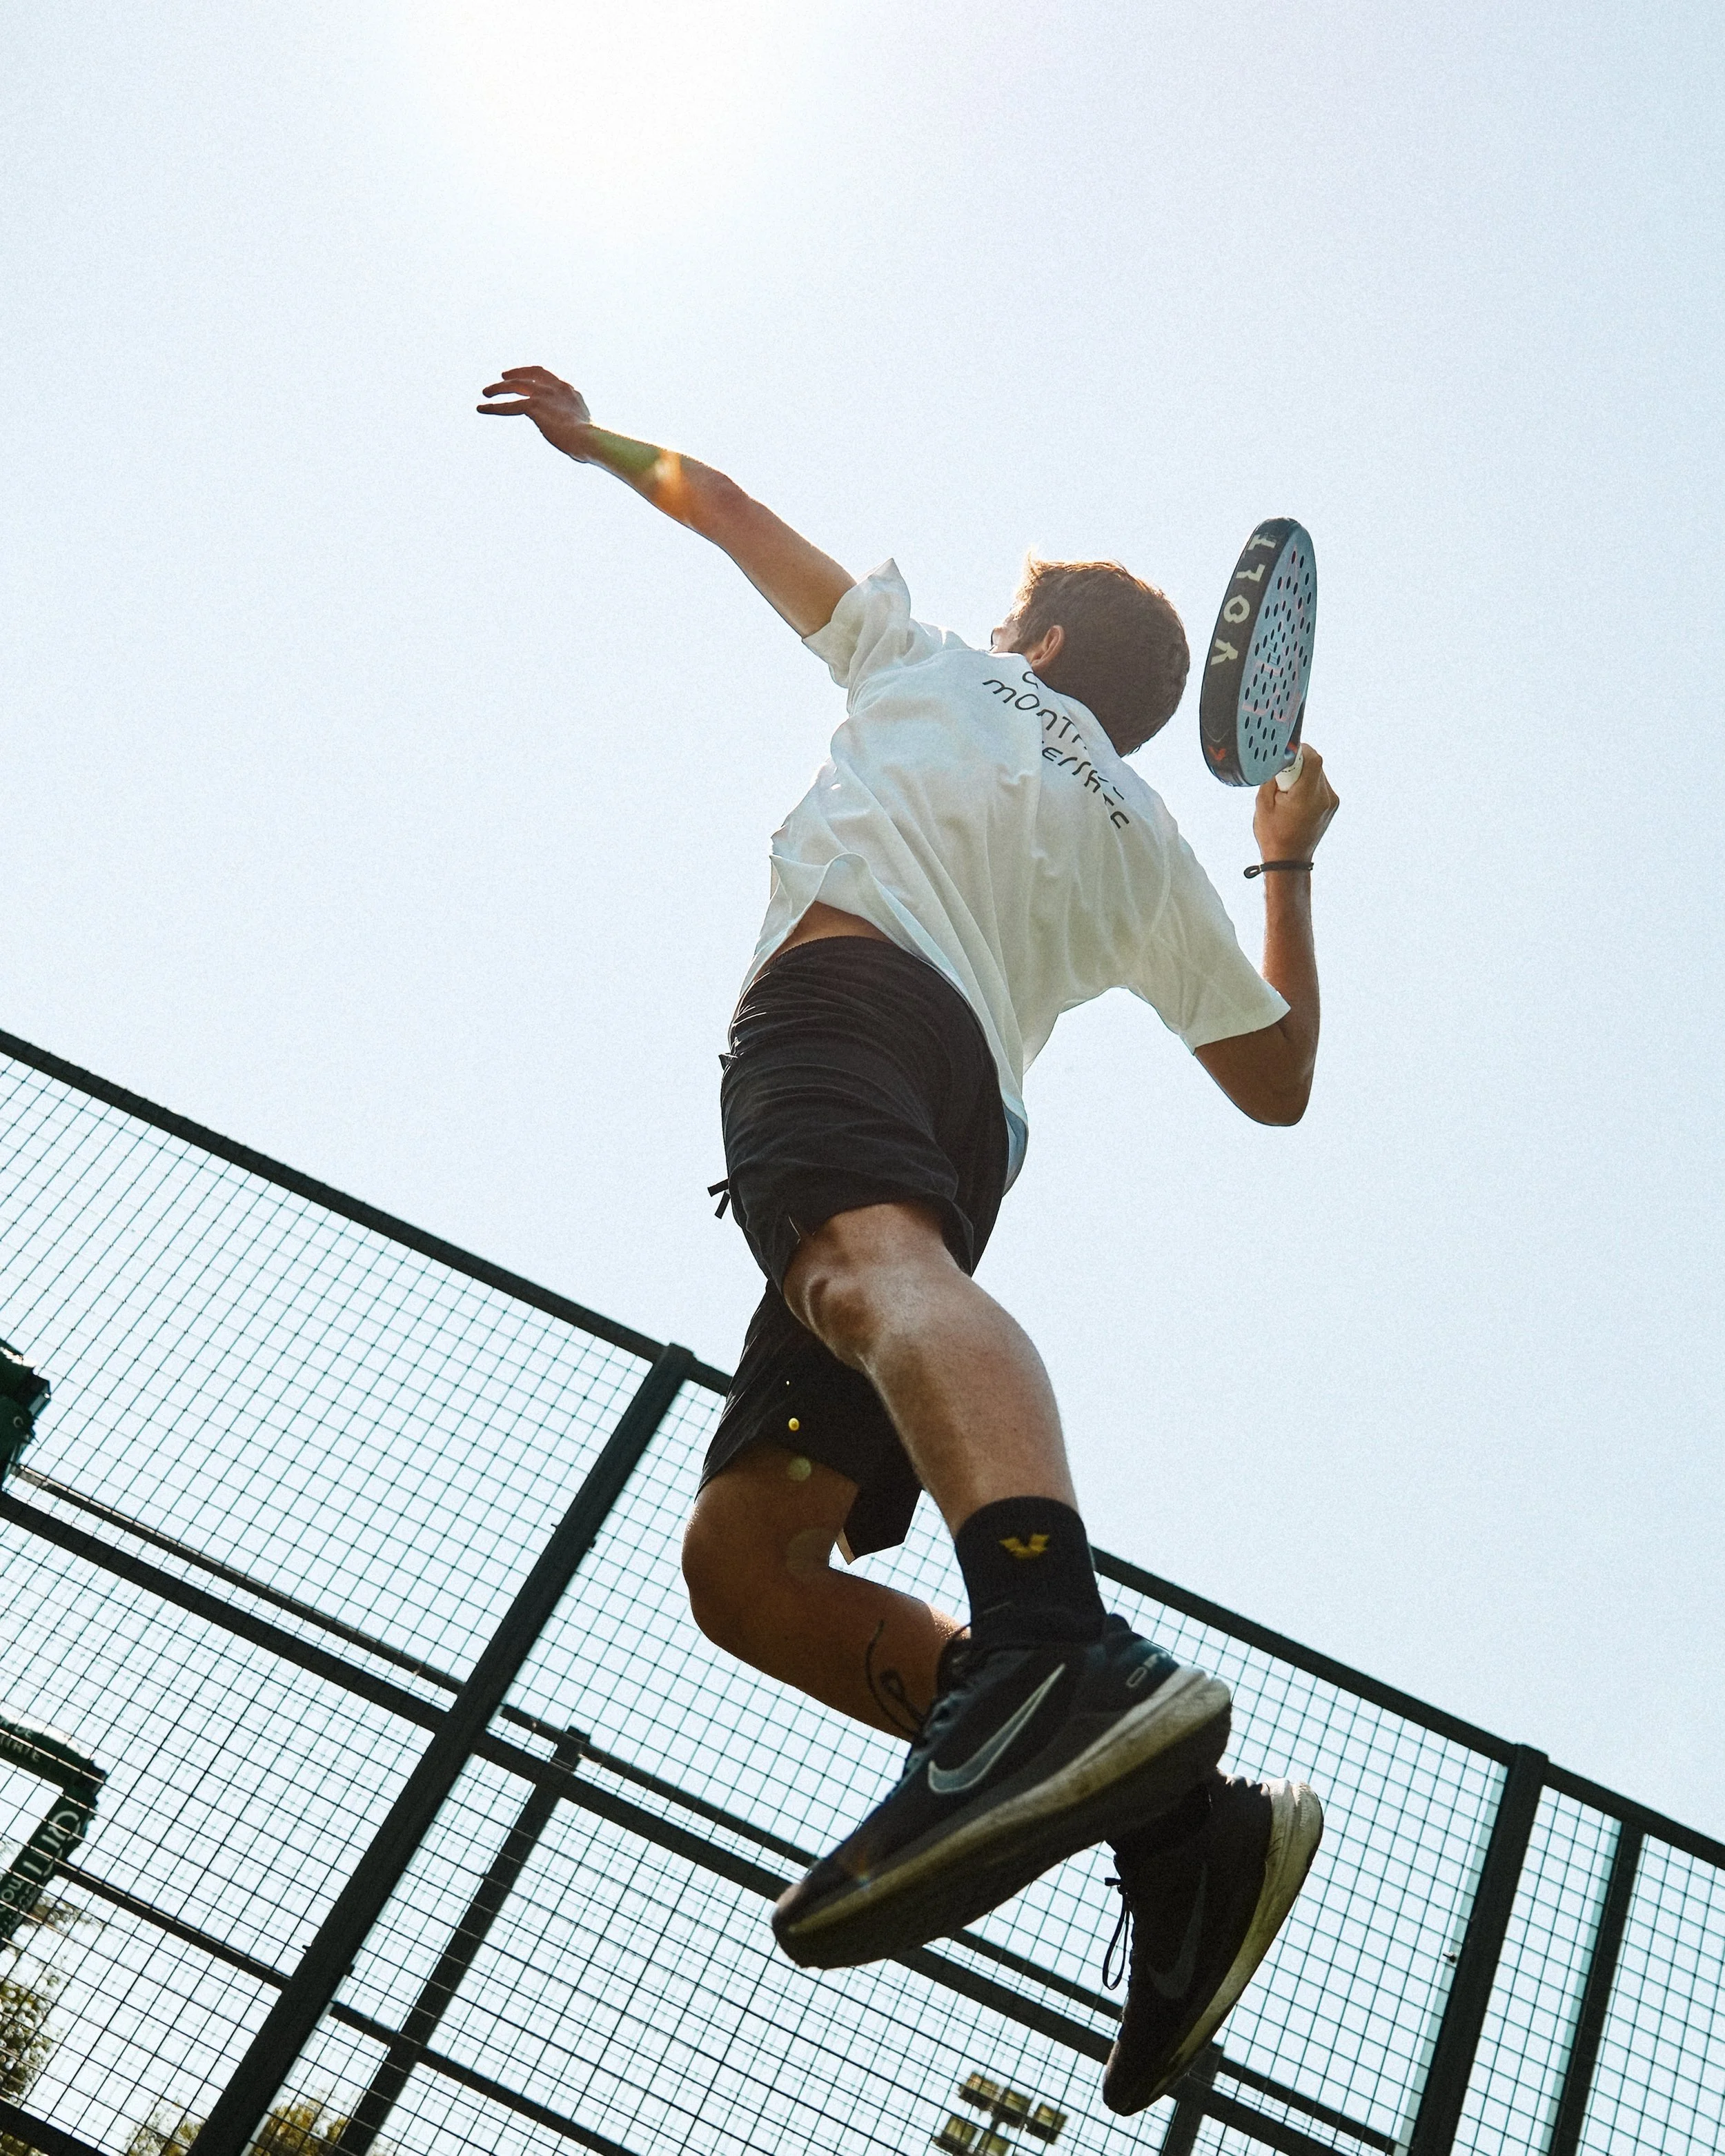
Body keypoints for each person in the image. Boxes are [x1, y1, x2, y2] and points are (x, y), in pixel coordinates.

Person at [480, 365, 1339, 2113]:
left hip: (844, 1006)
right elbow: (1278, 1077)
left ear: (1026, 623)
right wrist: (1284, 860)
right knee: (748, 1563)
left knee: (875, 1276)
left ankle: (1048, 1640)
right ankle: (1175, 1821)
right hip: (969, 1111)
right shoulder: (1151, 832)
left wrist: (595, 438)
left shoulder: (931, 656)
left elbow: (717, 504)